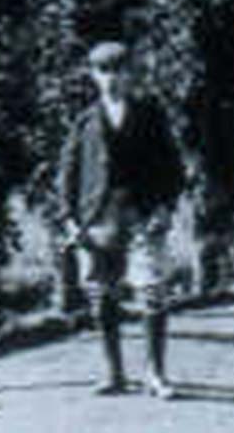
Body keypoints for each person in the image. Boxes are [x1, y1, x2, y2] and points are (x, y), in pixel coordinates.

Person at [57, 40, 186, 398]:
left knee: (152, 290)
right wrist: (69, 219)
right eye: (103, 71)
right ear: (93, 76)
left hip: (144, 213)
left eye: (119, 69)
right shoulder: (85, 122)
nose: (111, 78)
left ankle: (155, 374)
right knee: (102, 293)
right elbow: (66, 173)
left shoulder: (150, 115)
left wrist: (165, 207)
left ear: (131, 73)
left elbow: (173, 167)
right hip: (97, 217)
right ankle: (114, 373)